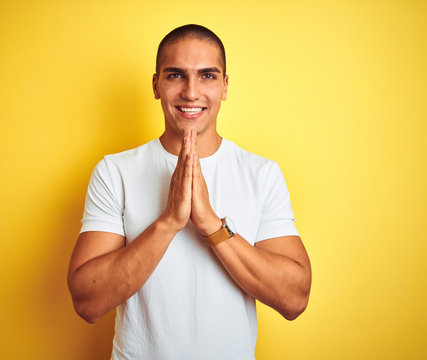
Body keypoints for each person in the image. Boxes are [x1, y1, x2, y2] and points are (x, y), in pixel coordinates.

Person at [67, 24, 311, 360]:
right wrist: (169, 221)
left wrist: (211, 223)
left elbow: (295, 299)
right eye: (175, 75)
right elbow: (87, 302)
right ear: (156, 85)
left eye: (207, 76)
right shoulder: (115, 172)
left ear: (225, 86)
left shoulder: (262, 174)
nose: (191, 92)